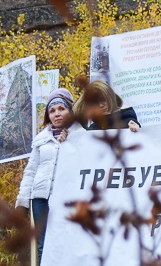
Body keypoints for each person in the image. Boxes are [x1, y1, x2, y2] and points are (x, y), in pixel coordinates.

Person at [17, 89, 83, 263]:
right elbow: (30, 171)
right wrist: (23, 201)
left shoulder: (80, 135)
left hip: (64, 197)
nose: (57, 114)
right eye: (52, 111)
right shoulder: (41, 139)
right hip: (40, 198)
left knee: (64, 240)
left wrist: (69, 141)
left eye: (61, 108)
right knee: (42, 244)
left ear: (71, 110)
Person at [74, 81, 140, 131]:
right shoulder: (92, 130)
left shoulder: (129, 123)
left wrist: (139, 132)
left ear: (110, 99)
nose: (101, 105)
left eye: (103, 99)